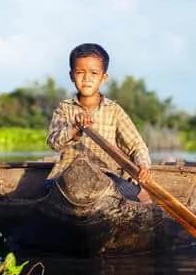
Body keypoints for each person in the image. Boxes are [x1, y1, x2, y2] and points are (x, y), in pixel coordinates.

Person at [46, 43, 152, 202]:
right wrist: (74, 129)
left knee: (136, 195)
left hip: (106, 176)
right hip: (66, 174)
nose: (87, 78)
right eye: (80, 72)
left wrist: (143, 166)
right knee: (47, 191)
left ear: (104, 78)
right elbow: (54, 142)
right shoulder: (65, 108)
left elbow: (137, 145)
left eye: (94, 73)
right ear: (71, 76)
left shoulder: (113, 110)